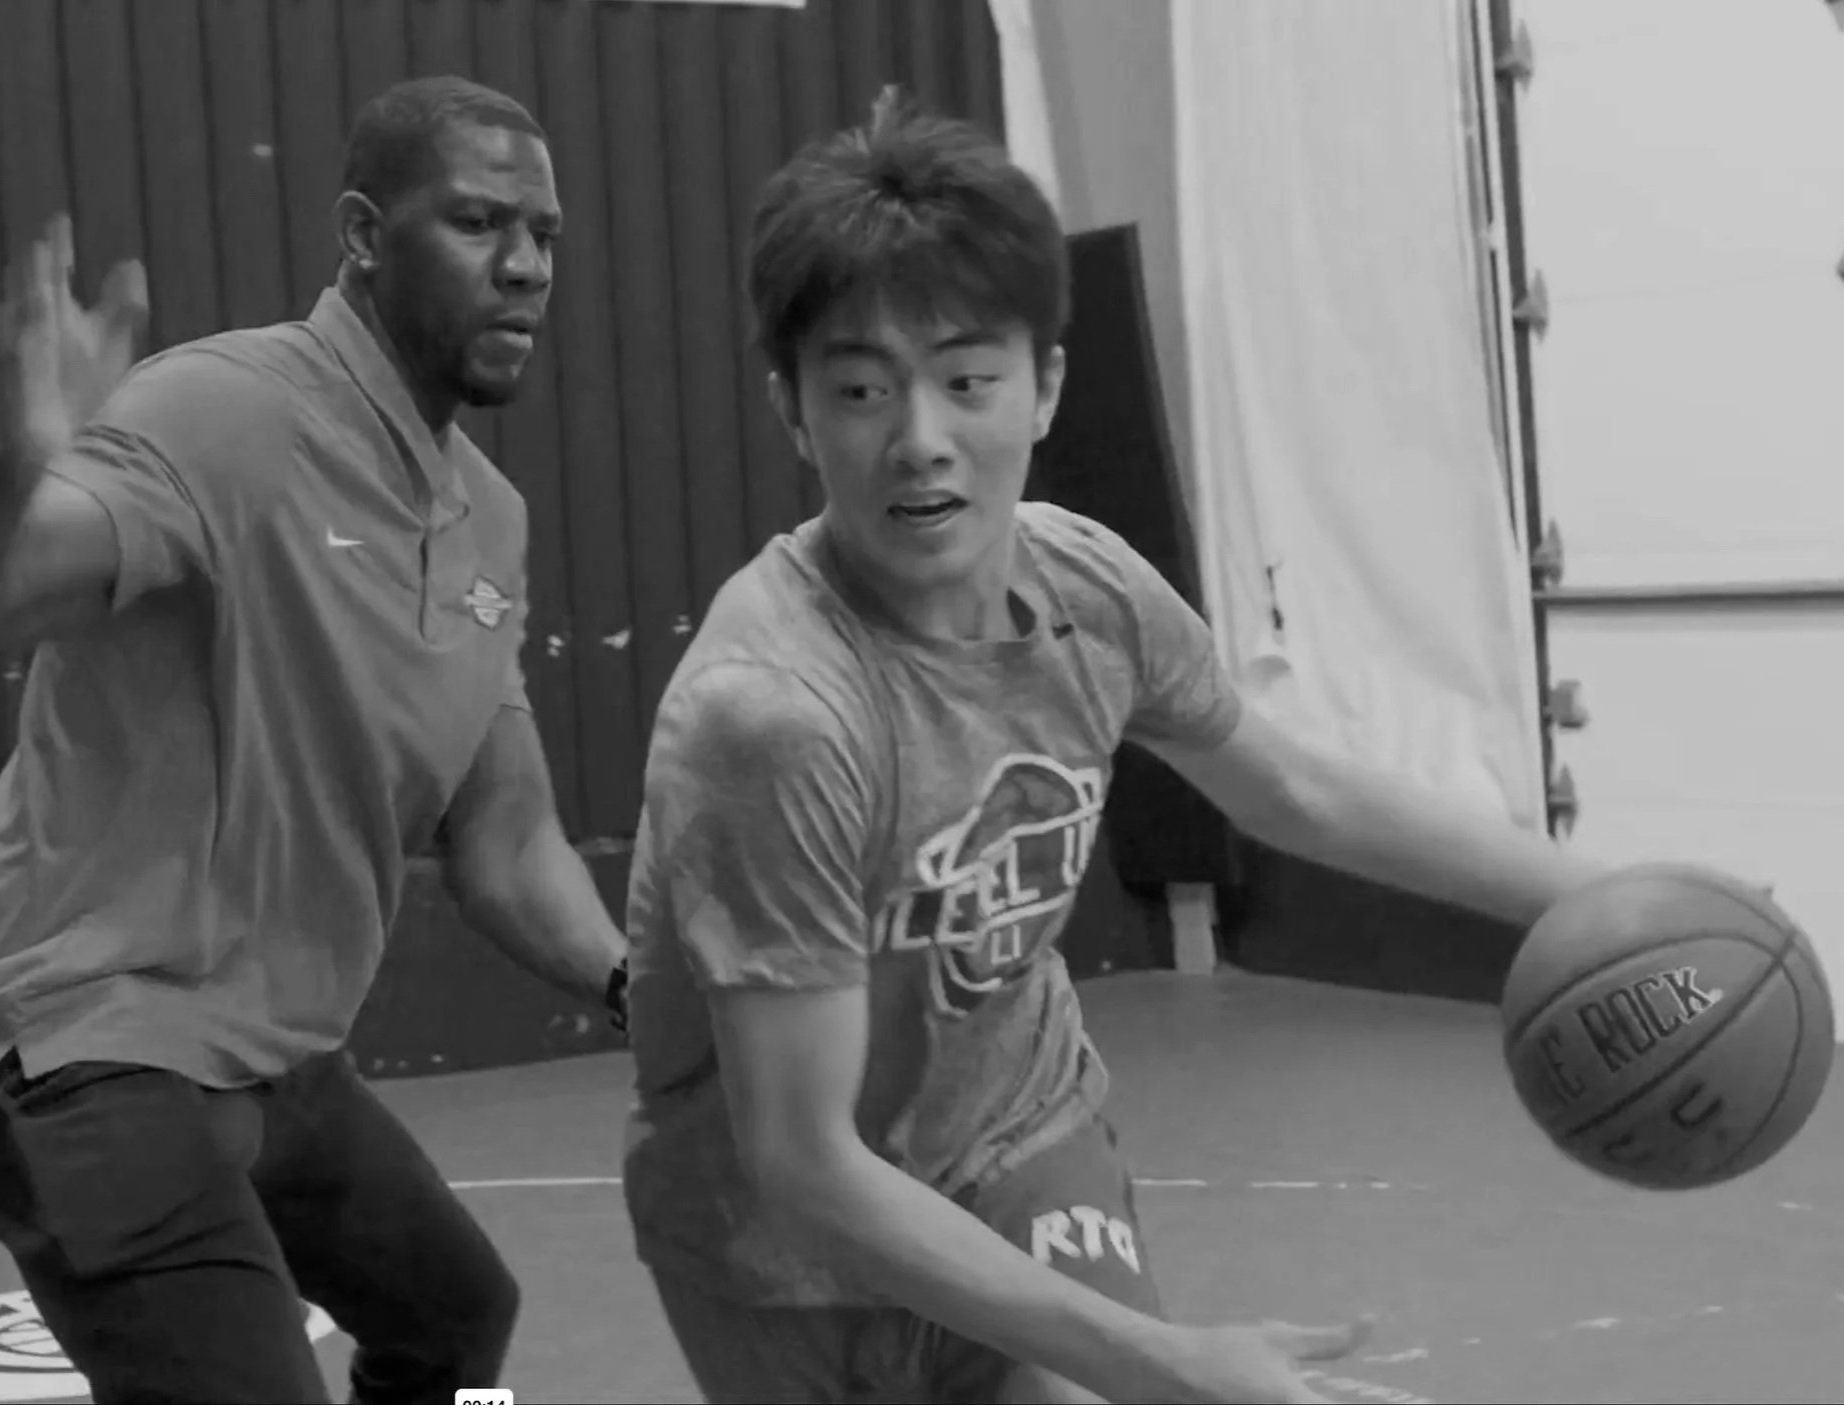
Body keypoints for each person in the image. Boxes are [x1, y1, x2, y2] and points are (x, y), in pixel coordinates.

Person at [620, 88, 1610, 1405]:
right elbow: (805, 1161)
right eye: (860, 390)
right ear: (794, 413)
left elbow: (1294, 788)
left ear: (1044, 388)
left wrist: (1606, 900)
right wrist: (1176, 1363)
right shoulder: (776, 716)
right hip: (778, 1240)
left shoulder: (1084, 586)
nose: (920, 440)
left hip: (1018, 1129)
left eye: (967, 380)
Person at [0, 76, 626, 1404]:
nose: (523, 268)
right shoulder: (223, 414)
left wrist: (637, 984)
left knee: (452, 1317)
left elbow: (503, 841)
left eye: (544, 235)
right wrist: (9, 467)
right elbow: (0, 589)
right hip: (87, 1043)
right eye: (478, 222)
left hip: (274, 1057)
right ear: (363, 233)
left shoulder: (483, 522)